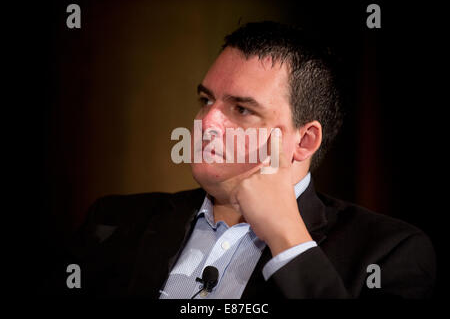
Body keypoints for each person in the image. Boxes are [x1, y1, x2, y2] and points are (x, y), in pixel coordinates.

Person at [44, 21, 435, 298]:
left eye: (242, 109)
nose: (207, 122)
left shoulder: (388, 252)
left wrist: (288, 239)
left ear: (304, 140)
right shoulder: (111, 222)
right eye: (206, 100)